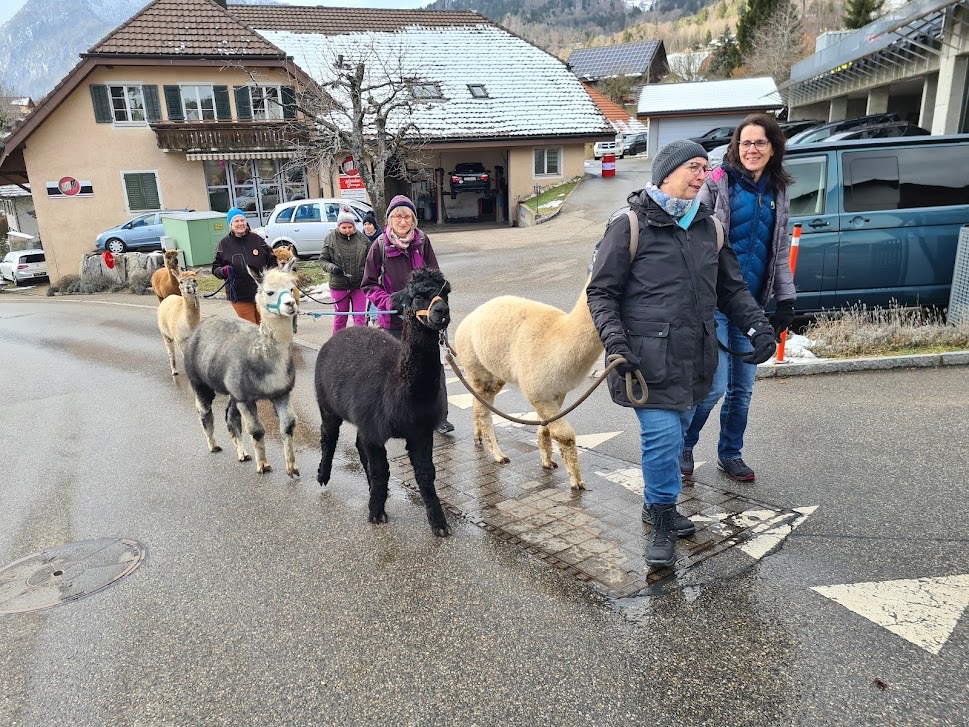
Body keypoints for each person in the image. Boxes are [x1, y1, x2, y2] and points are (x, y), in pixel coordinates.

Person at [587, 139, 776, 568]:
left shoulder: (710, 227)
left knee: (685, 426)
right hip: (643, 359)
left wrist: (756, 325)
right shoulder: (630, 225)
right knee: (663, 437)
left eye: (705, 168)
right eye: (693, 166)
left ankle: (659, 502)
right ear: (666, 172)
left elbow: (731, 289)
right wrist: (616, 344)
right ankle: (661, 516)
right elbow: (601, 293)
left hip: (698, 358)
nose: (701, 175)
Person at [682, 114, 796, 483]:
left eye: (759, 142)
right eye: (745, 143)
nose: (751, 149)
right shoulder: (718, 182)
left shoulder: (778, 190)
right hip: (715, 301)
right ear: (736, 147)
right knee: (714, 385)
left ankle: (730, 453)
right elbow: (695, 235)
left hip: (753, 305)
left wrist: (786, 299)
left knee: (742, 389)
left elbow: (778, 251)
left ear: (773, 146)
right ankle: (684, 445)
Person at [361, 194, 454, 434]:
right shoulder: (379, 246)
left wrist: (436, 308)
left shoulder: (422, 241)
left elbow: (436, 278)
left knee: (433, 367)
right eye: (397, 216)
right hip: (395, 318)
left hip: (424, 319)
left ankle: (439, 416)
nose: (402, 221)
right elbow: (369, 284)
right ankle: (403, 414)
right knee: (399, 368)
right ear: (389, 220)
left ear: (413, 219)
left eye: (407, 216)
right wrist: (388, 301)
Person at [212, 207, 277, 324]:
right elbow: (215, 268)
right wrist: (224, 271)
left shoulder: (257, 239)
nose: (240, 224)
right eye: (236, 221)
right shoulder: (224, 244)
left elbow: (272, 259)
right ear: (231, 224)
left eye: (242, 220)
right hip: (240, 295)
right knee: (251, 328)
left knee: (265, 326)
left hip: (262, 292)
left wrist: (272, 276)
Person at [319, 206, 370, 333]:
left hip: (359, 285)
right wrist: (333, 268)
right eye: (344, 228)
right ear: (338, 226)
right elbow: (322, 260)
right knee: (340, 318)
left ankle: (362, 344)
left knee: (360, 318)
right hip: (339, 285)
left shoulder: (363, 239)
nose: (347, 230)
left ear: (354, 226)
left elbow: (371, 260)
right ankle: (336, 345)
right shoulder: (330, 239)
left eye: (350, 227)